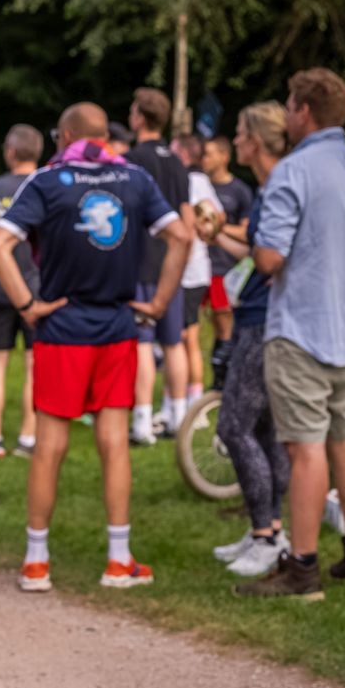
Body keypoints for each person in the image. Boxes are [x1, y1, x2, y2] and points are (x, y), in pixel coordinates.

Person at [0, 101, 188, 592]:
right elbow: (181, 236)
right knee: (114, 443)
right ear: (104, 136)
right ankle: (118, 560)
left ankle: (37, 563)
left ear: (65, 136)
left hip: (60, 330)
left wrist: (27, 305)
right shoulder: (135, 179)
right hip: (118, 326)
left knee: (50, 445)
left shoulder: (47, 181)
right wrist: (159, 303)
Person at [235, 68, 345, 600]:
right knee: (343, 438)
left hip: (302, 325)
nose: (285, 113)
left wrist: (255, 246)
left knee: (304, 449)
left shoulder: (294, 171)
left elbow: (270, 257)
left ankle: (301, 568)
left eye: (289, 104)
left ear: (303, 110)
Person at [201, 103, 292, 578]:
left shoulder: (278, 188)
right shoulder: (268, 187)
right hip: (260, 312)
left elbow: (271, 257)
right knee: (264, 429)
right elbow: (257, 252)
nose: (234, 141)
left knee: (234, 427)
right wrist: (218, 235)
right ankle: (270, 529)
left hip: (263, 318)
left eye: (239, 133)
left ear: (255, 141)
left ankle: (266, 536)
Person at [124, 88, 195, 444]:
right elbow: (186, 219)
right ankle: (178, 417)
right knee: (173, 342)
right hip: (172, 264)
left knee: (142, 342)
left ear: (139, 117)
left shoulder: (131, 160)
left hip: (141, 262)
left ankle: (141, 422)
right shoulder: (177, 162)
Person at [0, 124, 43, 459]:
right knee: (33, 364)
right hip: (35, 288)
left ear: (11, 152)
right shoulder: (44, 185)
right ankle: (27, 438)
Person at [174, 133, 222, 418]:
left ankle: (192, 407)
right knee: (185, 337)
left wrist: (179, 261)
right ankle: (186, 402)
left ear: (183, 153)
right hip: (195, 269)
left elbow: (199, 223)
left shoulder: (191, 181)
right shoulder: (201, 181)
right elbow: (218, 216)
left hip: (188, 271)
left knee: (186, 338)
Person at [201, 136, 254, 353]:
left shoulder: (239, 190)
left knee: (224, 322)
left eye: (209, 154)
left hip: (225, 268)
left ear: (224, 157)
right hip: (199, 266)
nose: (204, 159)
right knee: (197, 325)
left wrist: (218, 228)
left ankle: (224, 364)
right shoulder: (199, 186)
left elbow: (247, 233)